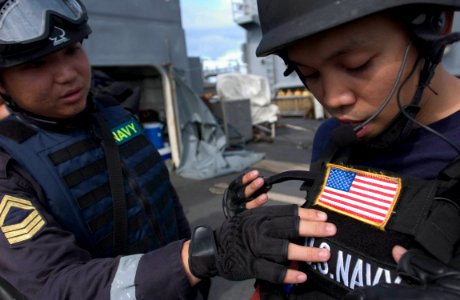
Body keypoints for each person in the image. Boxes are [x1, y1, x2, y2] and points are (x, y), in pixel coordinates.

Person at [0, 1, 339, 299]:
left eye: (72, 51)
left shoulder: (113, 114)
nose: (67, 75)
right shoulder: (9, 170)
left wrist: (228, 227)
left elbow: (162, 199)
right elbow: (55, 286)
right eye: (36, 65)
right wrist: (203, 255)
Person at [223, 0, 460, 299]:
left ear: (438, 24)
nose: (333, 99)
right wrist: (267, 240)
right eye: (308, 73)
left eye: (356, 64)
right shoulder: (332, 139)